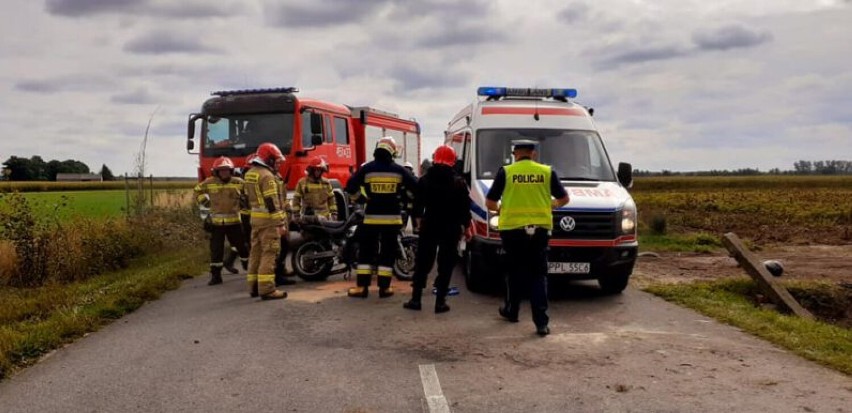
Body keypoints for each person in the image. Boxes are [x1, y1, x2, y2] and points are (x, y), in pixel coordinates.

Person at [485, 140, 569, 336]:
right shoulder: (547, 172)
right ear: (533, 154)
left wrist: (501, 209)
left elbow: (490, 202)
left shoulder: (506, 172)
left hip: (512, 230)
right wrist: (550, 206)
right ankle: (541, 323)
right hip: (539, 231)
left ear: (515, 154)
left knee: (514, 272)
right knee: (538, 275)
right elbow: (564, 199)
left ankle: (512, 311)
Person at [344, 137, 418, 298]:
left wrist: (362, 199)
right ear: (392, 151)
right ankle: (384, 288)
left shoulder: (367, 169)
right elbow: (416, 188)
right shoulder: (399, 170)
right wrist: (405, 197)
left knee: (366, 252)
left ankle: (362, 288)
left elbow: (350, 187)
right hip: (392, 221)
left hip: (371, 219)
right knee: (388, 253)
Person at [403, 145, 471, 313]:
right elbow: (464, 208)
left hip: (430, 225)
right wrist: (467, 228)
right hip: (451, 228)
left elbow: (417, 206)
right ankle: (440, 302)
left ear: (435, 158)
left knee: (423, 263)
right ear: (452, 160)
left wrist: (419, 222)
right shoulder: (459, 182)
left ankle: (416, 300)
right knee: (446, 264)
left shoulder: (425, 179)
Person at [193, 156, 250, 286]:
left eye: (227, 170)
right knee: (216, 250)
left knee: (242, 247)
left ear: (231, 171)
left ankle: (247, 266)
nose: (224, 173)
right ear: (216, 172)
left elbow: (249, 193)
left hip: (235, 222)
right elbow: (197, 190)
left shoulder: (239, 182)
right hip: (216, 224)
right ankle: (216, 276)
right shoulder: (209, 182)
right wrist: (204, 201)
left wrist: (245, 201)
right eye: (221, 170)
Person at [244, 142, 289, 300]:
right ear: (269, 160)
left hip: (255, 220)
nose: (278, 165)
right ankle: (267, 289)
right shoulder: (268, 176)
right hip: (268, 222)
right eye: (276, 161)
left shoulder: (251, 173)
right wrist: (280, 224)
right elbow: (271, 202)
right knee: (269, 253)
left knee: (255, 253)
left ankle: (254, 287)